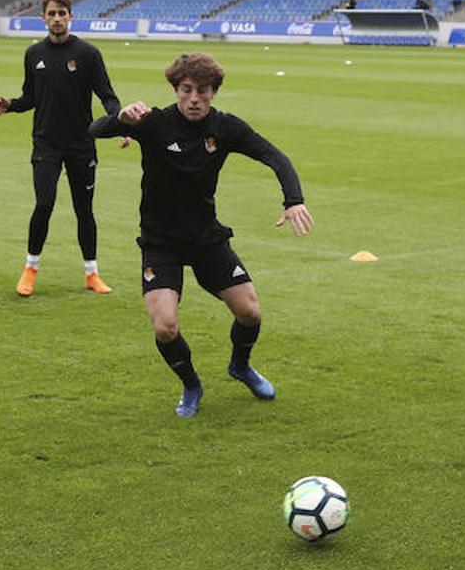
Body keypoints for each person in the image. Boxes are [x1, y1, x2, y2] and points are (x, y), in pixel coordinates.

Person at [90, 53, 313, 419]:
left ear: (214, 92)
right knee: (165, 326)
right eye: (186, 90)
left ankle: (240, 366)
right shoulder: (154, 123)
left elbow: (275, 156)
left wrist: (294, 201)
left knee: (250, 311)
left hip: (206, 238)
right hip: (161, 242)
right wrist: (120, 119)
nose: (194, 98)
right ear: (176, 90)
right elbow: (95, 131)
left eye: (203, 91)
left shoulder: (225, 128)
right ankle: (191, 384)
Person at [0, 0, 124, 297]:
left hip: (81, 144)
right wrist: (9, 104)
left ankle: (92, 274)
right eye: (51, 14)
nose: (56, 19)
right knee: (44, 203)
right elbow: (30, 98)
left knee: (84, 210)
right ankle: (30, 269)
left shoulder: (89, 54)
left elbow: (107, 95)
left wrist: (121, 123)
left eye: (61, 14)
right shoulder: (33, 54)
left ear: (70, 17)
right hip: (46, 145)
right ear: (43, 18)